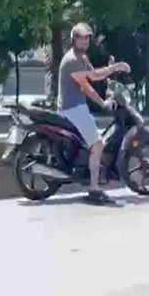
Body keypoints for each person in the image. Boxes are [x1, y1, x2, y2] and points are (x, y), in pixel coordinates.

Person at [58, 22, 130, 204]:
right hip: (72, 108)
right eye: (80, 37)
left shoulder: (81, 58)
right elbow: (92, 79)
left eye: (87, 37)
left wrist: (103, 100)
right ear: (73, 39)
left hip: (76, 107)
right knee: (97, 145)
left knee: (95, 141)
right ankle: (94, 188)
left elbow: (91, 80)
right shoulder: (72, 60)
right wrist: (116, 68)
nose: (84, 40)